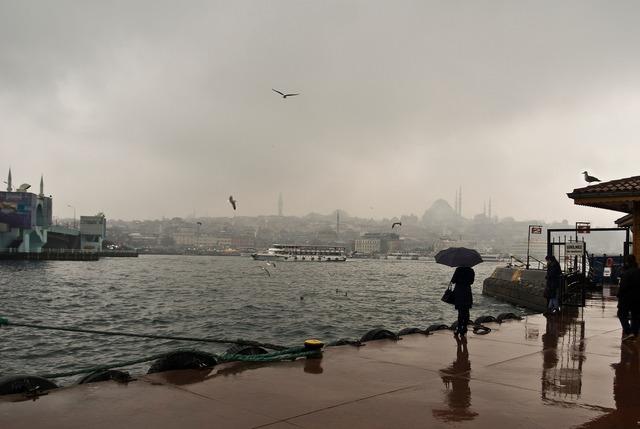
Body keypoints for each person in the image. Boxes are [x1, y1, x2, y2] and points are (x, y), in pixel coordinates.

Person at [617, 254, 640, 341]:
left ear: (627, 262)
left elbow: (623, 287)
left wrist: (619, 295)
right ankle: (635, 332)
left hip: (626, 298)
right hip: (638, 298)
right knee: (636, 315)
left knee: (621, 314)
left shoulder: (626, 273)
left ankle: (628, 331)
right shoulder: (638, 271)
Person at [451, 266, 474, 337]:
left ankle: (459, 329)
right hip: (467, 291)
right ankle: (464, 328)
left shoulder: (458, 269)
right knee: (466, 311)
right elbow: (471, 282)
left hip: (459, 292)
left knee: (460, 311)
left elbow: (453, 280)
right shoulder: (471, 270)